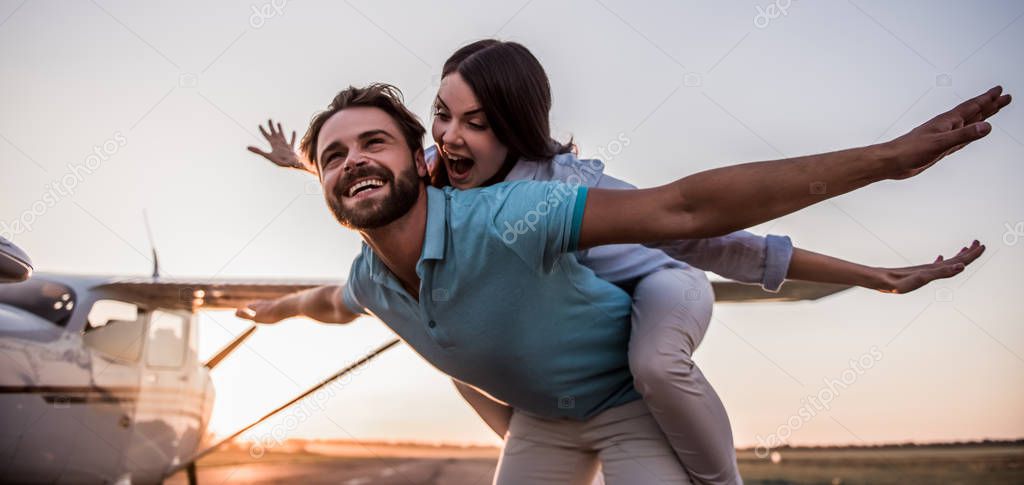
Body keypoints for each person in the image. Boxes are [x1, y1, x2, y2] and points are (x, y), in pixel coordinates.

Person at [243, 41, 993, 484]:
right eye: (444, 117)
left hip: (654, 295)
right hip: (544, 412)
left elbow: (693, 223)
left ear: (518, 127)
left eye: (479, 122)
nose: (454, 137)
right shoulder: (414, 193)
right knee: (454, 345)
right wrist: (303, 164)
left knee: (656, 363)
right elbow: (366, 187)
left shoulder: (546, 197)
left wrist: (883, 184)